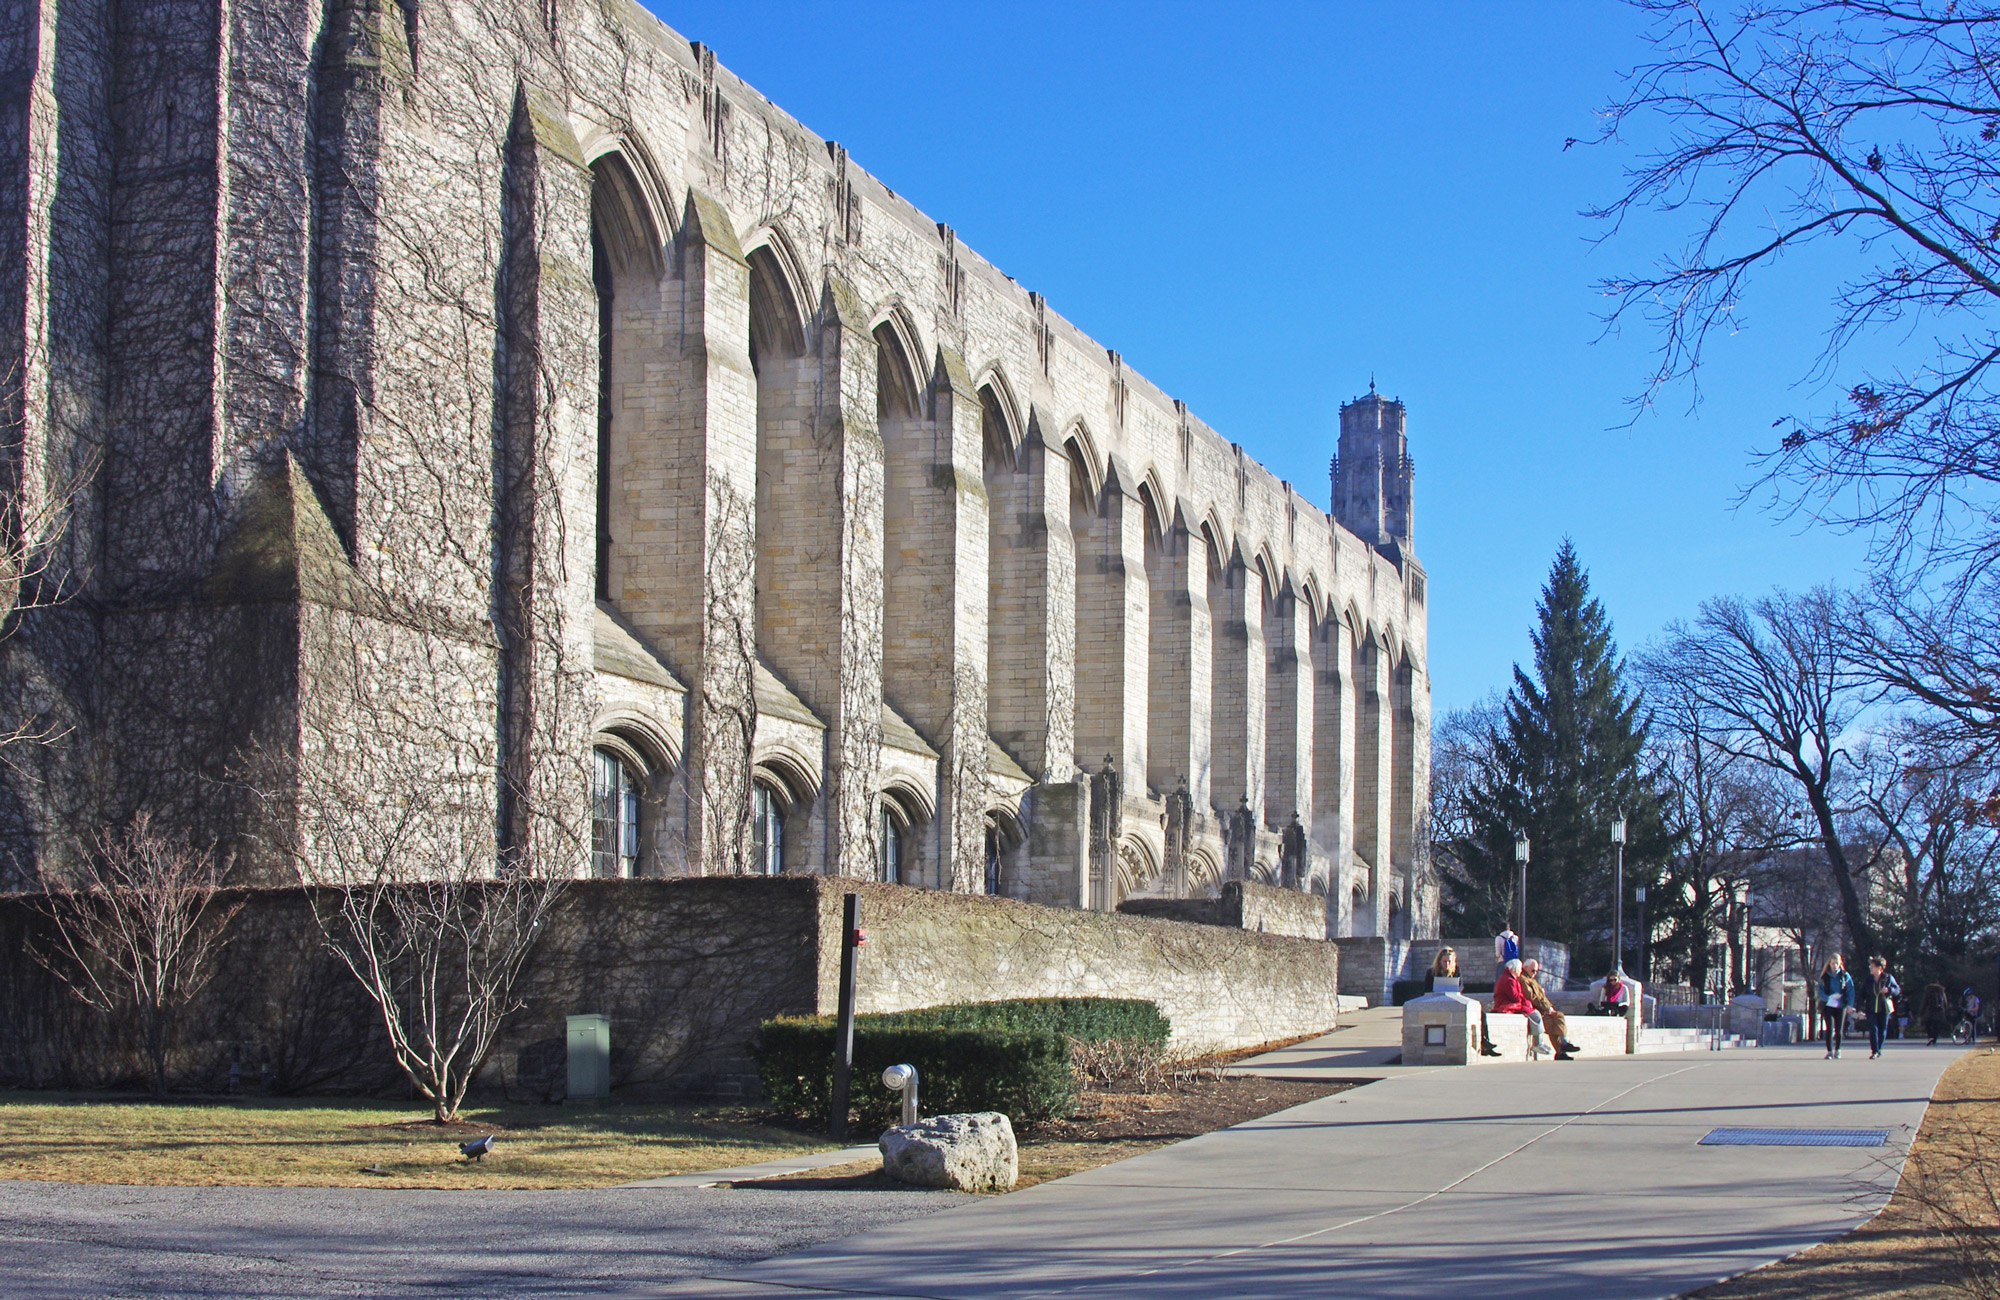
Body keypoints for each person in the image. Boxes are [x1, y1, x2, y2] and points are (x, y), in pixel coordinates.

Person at [1425, 947, 1501, 1056]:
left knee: (1480, 1013)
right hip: (1436, 1001)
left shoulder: (1456, 971)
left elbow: (1460, 986)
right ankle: (1485, 1045)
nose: (1447, 964)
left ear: (1453, 961)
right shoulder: (1431, 973)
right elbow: (1427, 990)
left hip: (1453, 1000)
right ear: (1439, 961)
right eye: (1444, 961)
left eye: (1449, 961)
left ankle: (1485, 1041)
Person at [1494, 958, 1557, 1058]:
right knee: (1535, 1014)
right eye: (1519, 970)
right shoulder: (1509, 980)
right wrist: (1526, 1002)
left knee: (1535, 1013)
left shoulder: (1509, 978)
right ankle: (1538, 1043)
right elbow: (1515, 997)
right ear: (1514, 969)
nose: (1520, 972)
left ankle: (1539, 1042)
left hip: (1512, 1004)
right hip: (1507, 1006)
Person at [1521, 959, 1581, 1060]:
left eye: (1536, 971)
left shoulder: (1532, 981)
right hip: (1535, 1010)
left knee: (1557, 1018)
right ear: (1525, 968)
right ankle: (1563, 1046)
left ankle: (1562, 1047)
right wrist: (1546, 1008)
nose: (1535, 973)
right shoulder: (1523, 980)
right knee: (1555, 1020)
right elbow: (1531, 997)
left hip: (1543, 1009)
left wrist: (1549, 1008)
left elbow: (1542, 997)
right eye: (1533, 970)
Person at [1857, 957, 1900, 1059]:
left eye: (1872, 966)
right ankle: (1874, 1051)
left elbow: (1897, 989)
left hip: (1883, 1008)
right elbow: (1861, 994)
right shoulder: (1868, 979)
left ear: (1879, 968)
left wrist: (1889, 990)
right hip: (1871, 1008)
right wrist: (1859, 1009)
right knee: (1873, 1029)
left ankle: (1879, 1049)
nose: (1870, 968)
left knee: (1882, 1029)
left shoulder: (1888, 978)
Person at [1817, 955, 1855, 1059]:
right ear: (1829, 964)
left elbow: (1850, 991)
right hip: (1828, 1005)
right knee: (1830, 1028)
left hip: (1840, 1005)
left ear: (1840, 964)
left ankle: (1837, 1050)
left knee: (1839, 1029)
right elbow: (1820, 991)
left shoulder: (1844, 975)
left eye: (1837, 963)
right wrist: (1828, 998)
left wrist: (1849, 1005)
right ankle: (1829, 1051)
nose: (1835, 966)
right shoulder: (1824, 977)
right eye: (1833, 963)